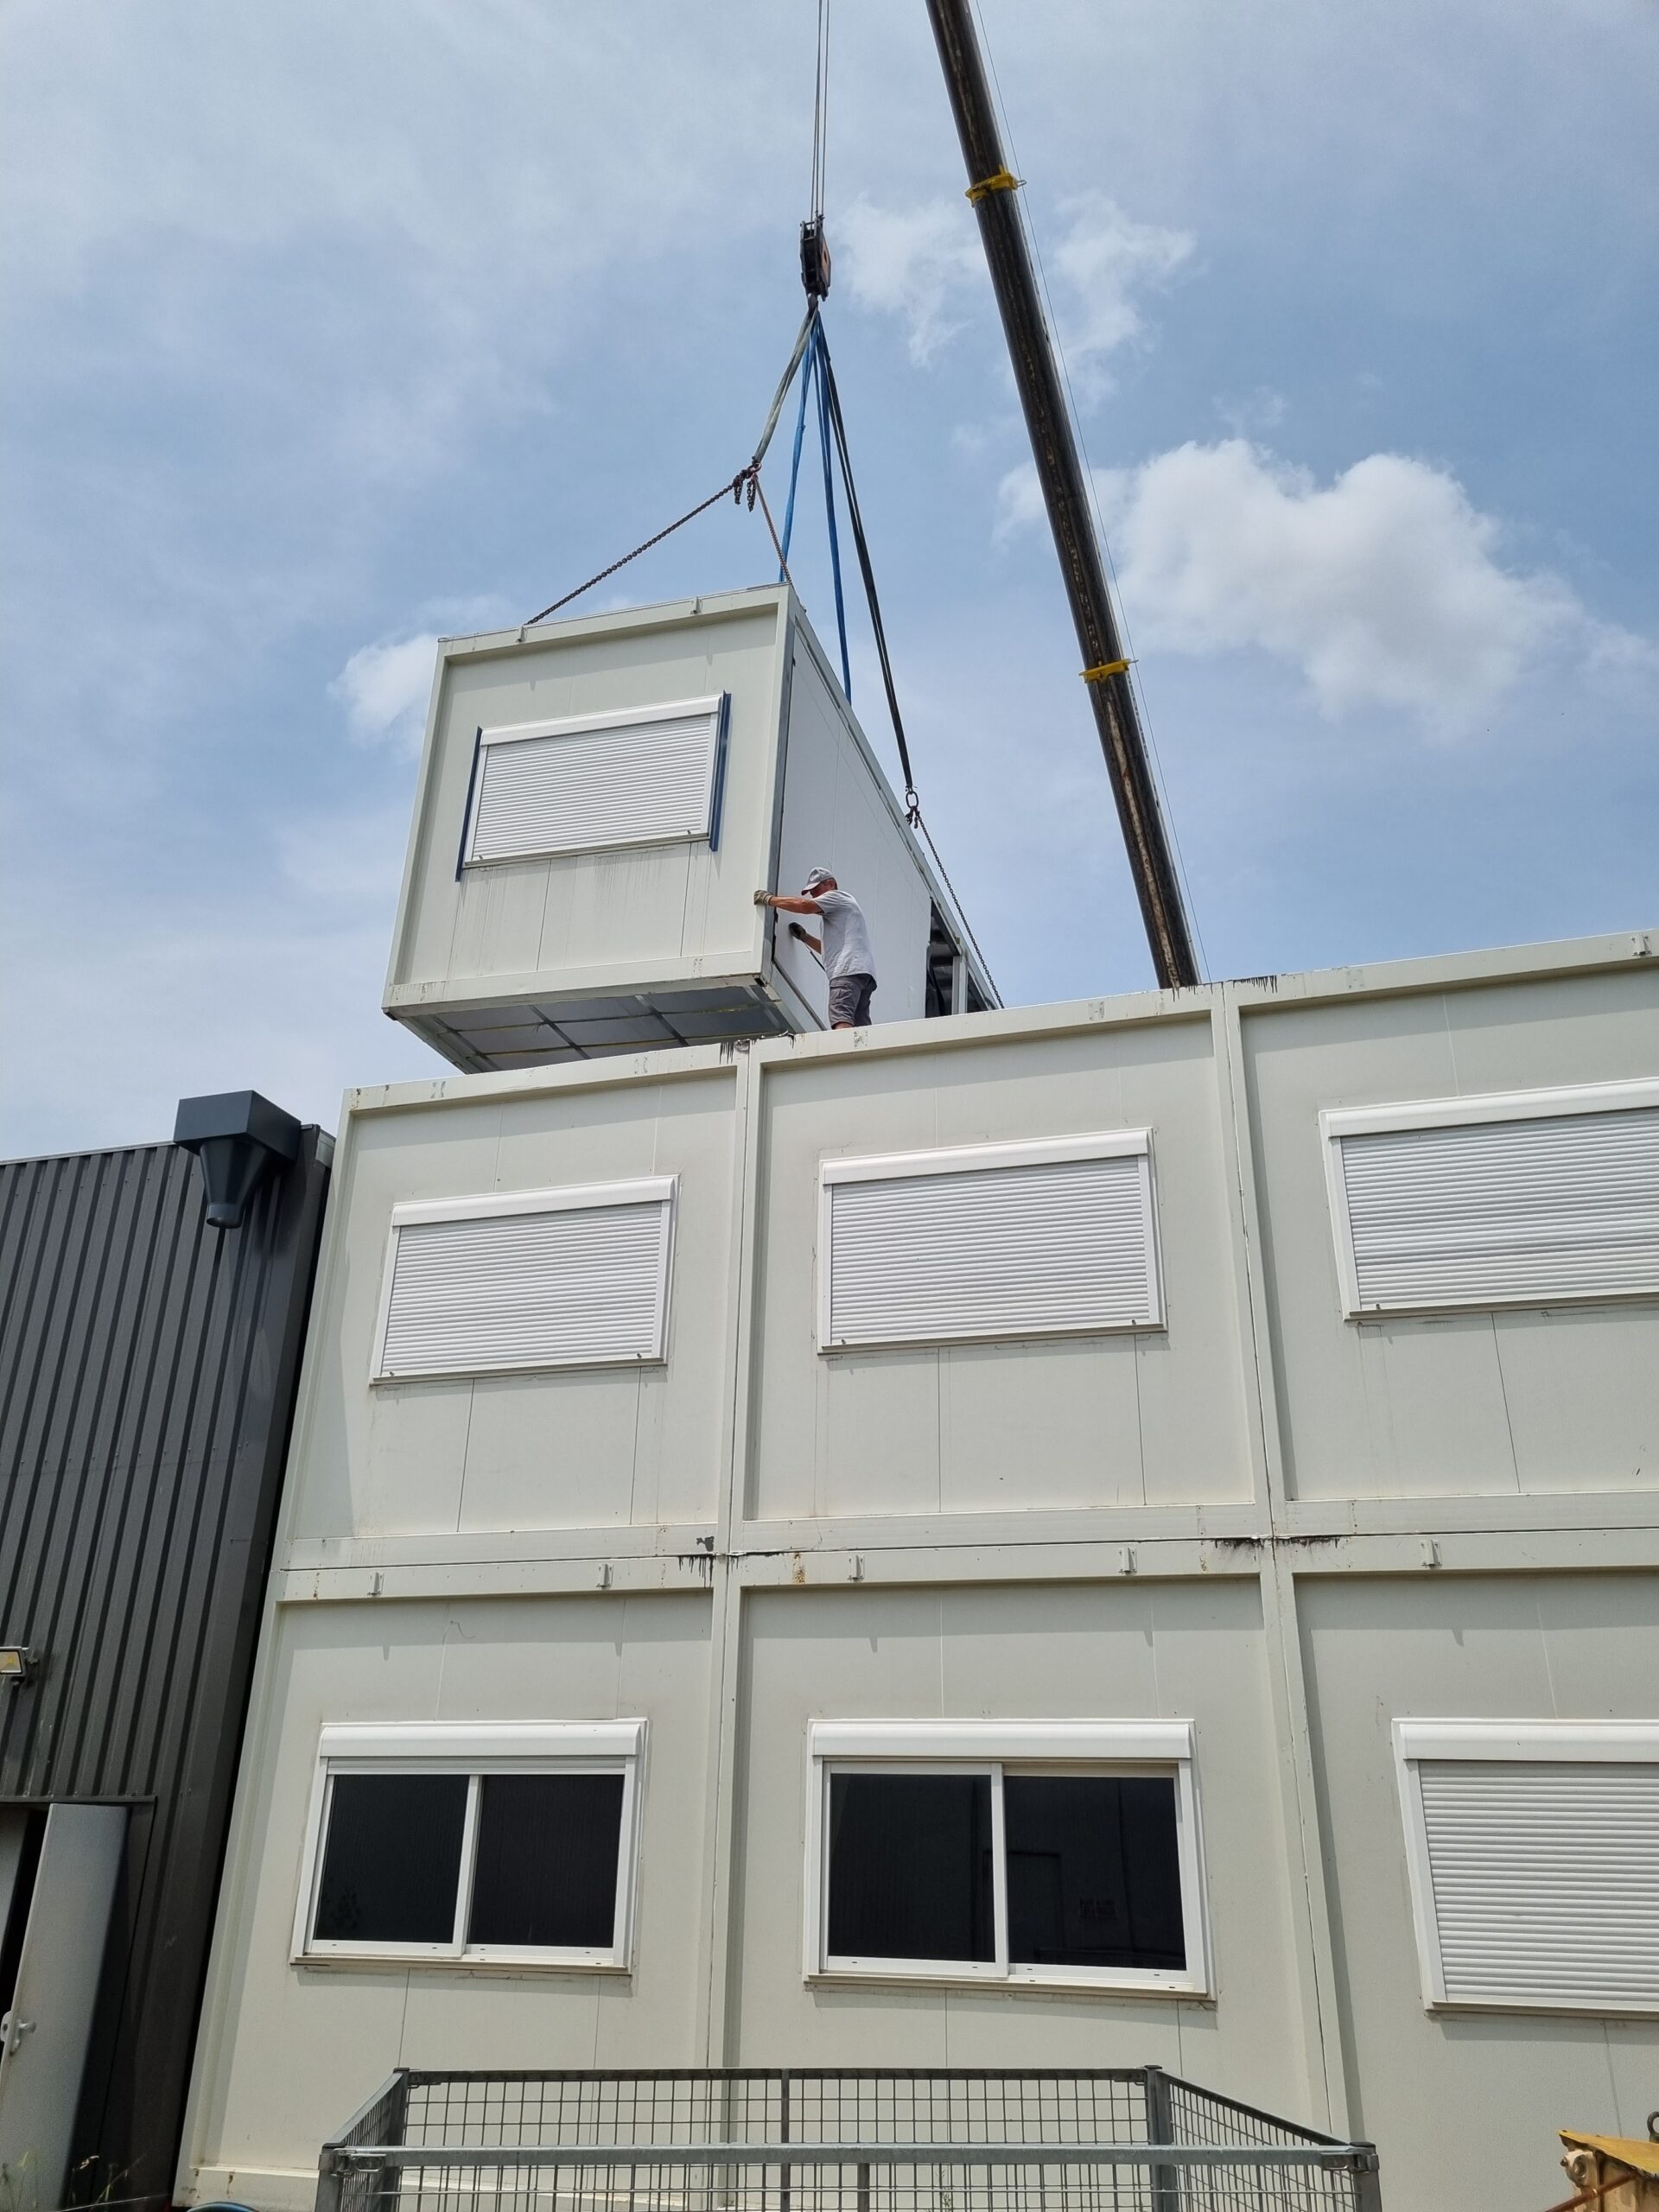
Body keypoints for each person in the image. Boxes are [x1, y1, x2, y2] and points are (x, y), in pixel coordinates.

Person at [755, 867, 877, 1028]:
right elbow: (828, 950)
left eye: (816, 890)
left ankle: (843, 1046)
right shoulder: (842, 912)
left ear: (830, 884)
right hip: (862, 974)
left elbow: (803, 905)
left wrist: (769, 899)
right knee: (860, 1026)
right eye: (811, 893)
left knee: (841, 1014)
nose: (814, 896)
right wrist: (805, 937)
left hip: (846, 971)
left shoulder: (837, 897)